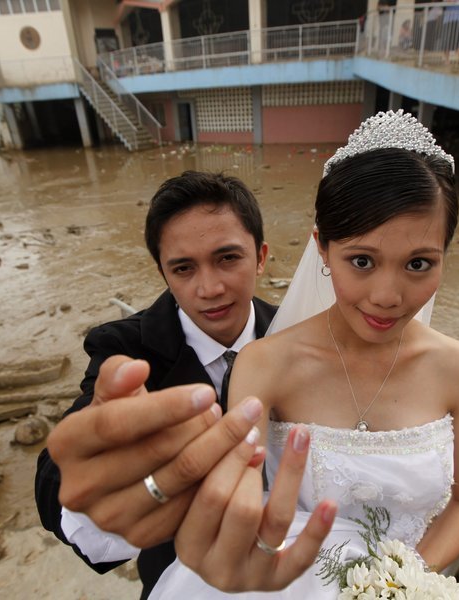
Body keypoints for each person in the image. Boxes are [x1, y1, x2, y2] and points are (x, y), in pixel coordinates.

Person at [149, 110, 459, 597]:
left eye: (418, 264)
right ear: (323, 250)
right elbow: (238, 500)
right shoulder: (265, 365)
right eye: (362, 261)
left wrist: (399, 585)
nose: (387, 296)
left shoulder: (458, 369)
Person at [35, 171, 283, 599]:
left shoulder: (294, 332)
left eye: (227, 258)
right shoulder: (125, 350)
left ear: (260, 257)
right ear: (163, 273)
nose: (210, 288)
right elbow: (58, 478)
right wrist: (96, 468)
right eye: (183, 268)